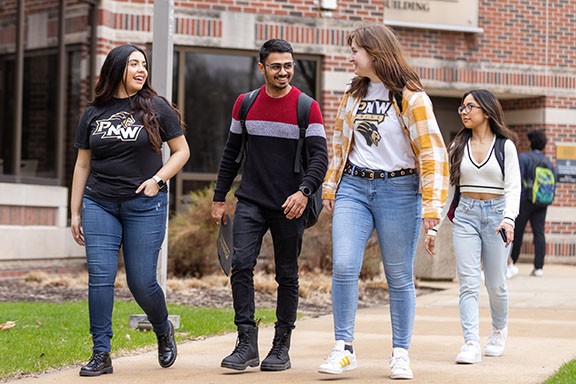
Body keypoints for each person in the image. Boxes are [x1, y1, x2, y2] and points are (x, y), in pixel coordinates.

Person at [318, 24, 449, 380]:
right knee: (344, 266)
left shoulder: (411, 97)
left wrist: (431, 209)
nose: (350, 57)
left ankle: (400, 353)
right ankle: (344, 348)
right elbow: (340, 147)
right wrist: (331, 188)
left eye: (355, 50)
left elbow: (433, 155)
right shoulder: (352, 95)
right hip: (355, 188)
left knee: (398, 275)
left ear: (375, 53)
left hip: (399, 190)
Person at [70, 44, 190, 376]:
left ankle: (162, 327)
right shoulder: (93, 113)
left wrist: (158, 179)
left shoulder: (157, 108)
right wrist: (75, 211)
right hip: (99, 203)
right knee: (100, 279)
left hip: (145, 204)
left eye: (144, 64)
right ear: (116, 67)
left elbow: (181, 152)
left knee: (141, 282)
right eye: (134, 63)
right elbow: (82, 165)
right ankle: (101, 353)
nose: (141, 69)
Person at [211, 39, 328, 372]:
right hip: (250, 199)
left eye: (288, 65)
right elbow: (231, 154)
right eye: (276, 66)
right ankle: (246, 342)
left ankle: (281, 346)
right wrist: (220, 198)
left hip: (290, 204)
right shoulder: (245, 104)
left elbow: (320, 157)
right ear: (261, 68)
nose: (283, 72)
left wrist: (304, 192)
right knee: (241, 266)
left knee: (287, 275)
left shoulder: (307, 107)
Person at [425, 89, 521, 364]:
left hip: (497, 218)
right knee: (468, 283)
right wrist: (434, 227)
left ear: (487, 112)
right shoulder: (457, 146)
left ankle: (498, 331)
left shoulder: (506, 147)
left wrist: (508, 219)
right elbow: (449, 191)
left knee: (495, 284)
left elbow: (513, 188)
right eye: (462, 108)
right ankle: (470, 343)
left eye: (470, 107)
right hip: (466, 215)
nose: (464, 112)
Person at [508, 130, 556, 278]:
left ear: (530, 143)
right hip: (542, 200)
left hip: (525, 200)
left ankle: (512, 263)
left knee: (518, 231)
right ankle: (539, 267)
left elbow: (516, 179)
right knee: (539, 232)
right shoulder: (548, 162)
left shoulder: (523, 158)